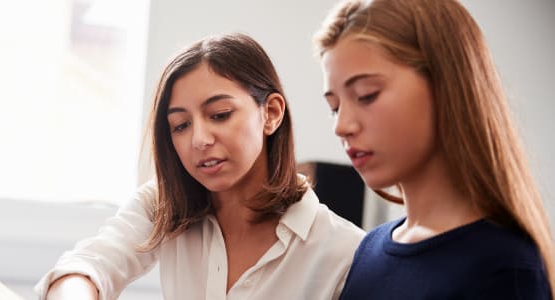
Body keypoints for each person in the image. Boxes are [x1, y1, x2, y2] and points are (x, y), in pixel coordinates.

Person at [35, 33, 365, 300]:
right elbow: (89, 265)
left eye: (219, 115)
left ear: (272, 113)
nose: (199, 140)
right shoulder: (164, 205)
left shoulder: (343, 252)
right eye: (180, 125)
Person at [313, 0, 555, 299]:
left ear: (445, 85)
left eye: (366, 95)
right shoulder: (368, 249)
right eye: (334, 107)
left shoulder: (505, 266)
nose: (342, 126)